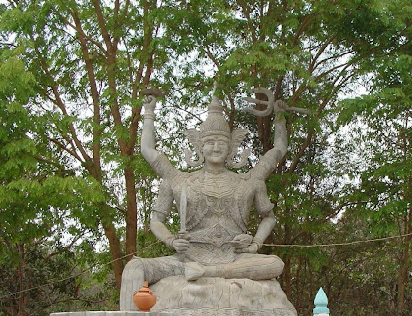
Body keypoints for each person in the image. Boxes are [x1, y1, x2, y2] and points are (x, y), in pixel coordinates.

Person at [121, 89, 289, 292]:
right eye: (210, 142)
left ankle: (207, 272)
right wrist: (172, 241)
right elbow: (147, 153)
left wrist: (255, 244)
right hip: (187, 258)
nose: (216, 147)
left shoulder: (249, 181)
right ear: (199, 147)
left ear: (231, 147)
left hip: (236, 258)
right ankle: (201, 271)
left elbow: (279, 151)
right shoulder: (180, 180)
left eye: (221, 142)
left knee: (274, 264)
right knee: (135, 267)